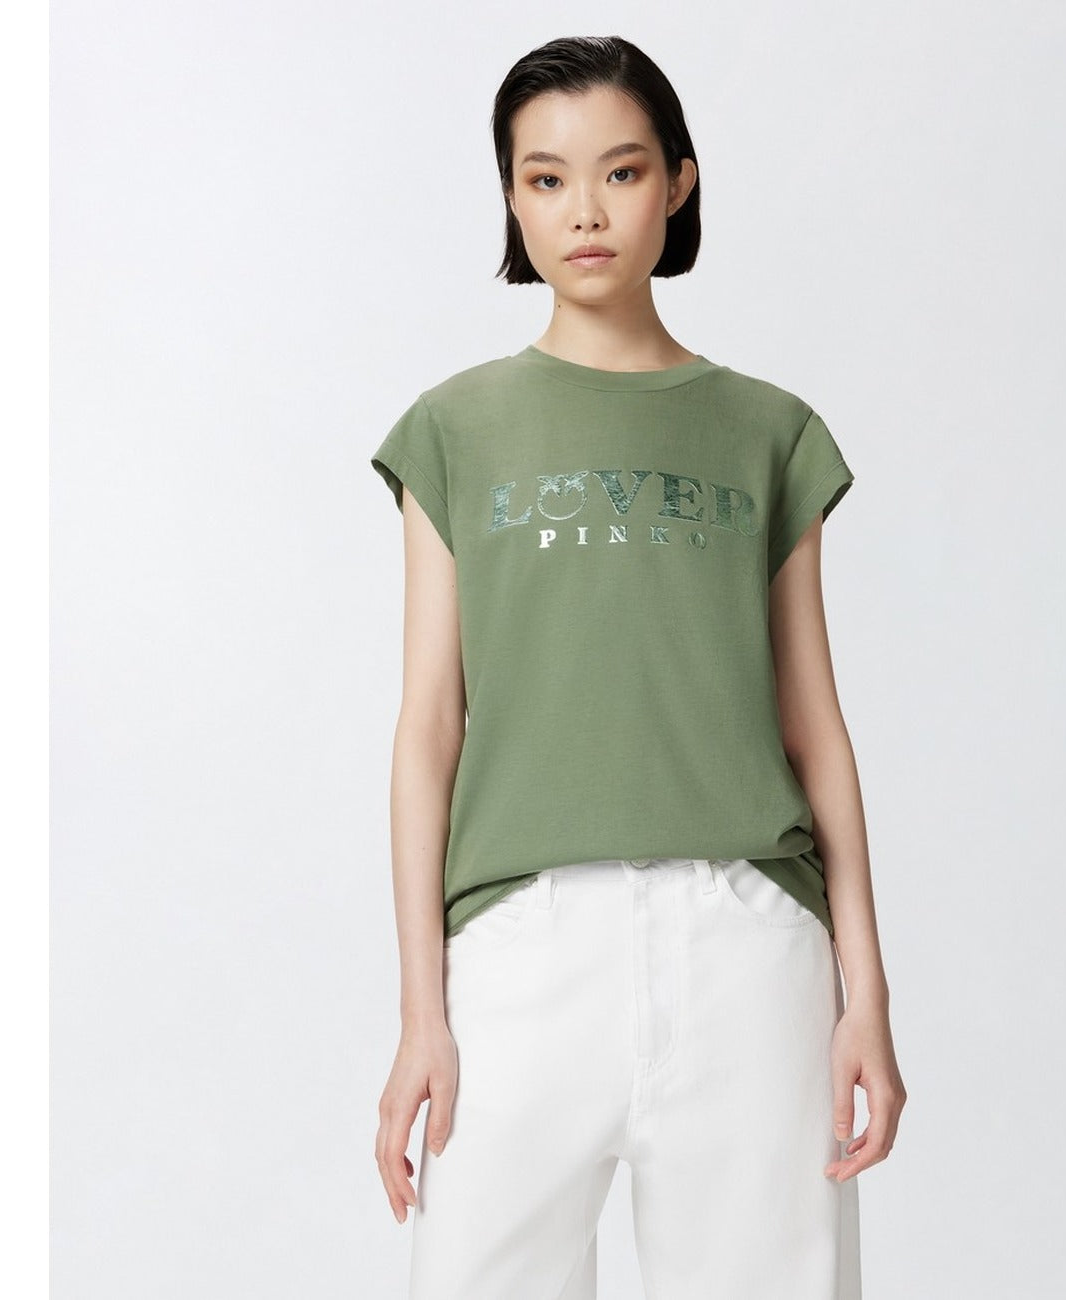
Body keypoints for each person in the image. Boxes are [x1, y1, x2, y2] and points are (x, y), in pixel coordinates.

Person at [369, 35, 906, 1300]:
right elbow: (428, 727)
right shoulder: (454, 431)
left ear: (677, 183)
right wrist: (420, 1013)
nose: (585, 211)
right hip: (519, 947)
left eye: (619, 172)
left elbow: (815, 725)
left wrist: (864, 996)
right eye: (544, 179)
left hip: (748, 945)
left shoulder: (767, 432)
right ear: (511, 199)